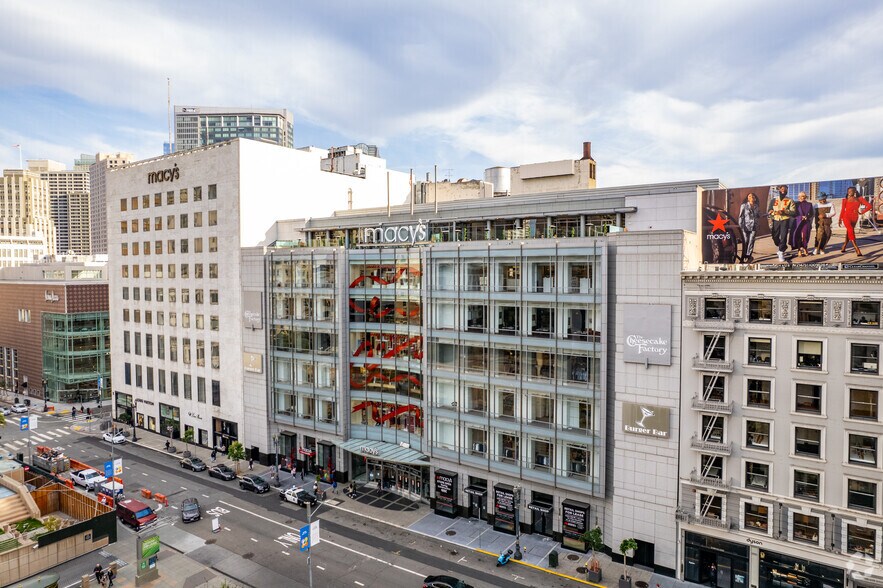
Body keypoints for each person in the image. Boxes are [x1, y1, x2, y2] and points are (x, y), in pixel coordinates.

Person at [767, 184, 796, 262]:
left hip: (785, 220)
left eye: (785, 189)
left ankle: (781, 252)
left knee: (783, 236)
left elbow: (793, 212)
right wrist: (772, 212)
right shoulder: (773, 199)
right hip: (776, 219)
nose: (783, 190)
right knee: (774, 236)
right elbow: (769, 210)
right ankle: (781, 246)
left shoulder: (790, 200)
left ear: (787, 191)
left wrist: (784, 211)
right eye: (782, 189)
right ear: (779, 190)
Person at [839, 186, 871, 256]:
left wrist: (862, 212)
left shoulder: (860, 199)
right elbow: (842, 210)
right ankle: (856, 248)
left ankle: (844, 246)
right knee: (850, 230)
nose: (849, 192)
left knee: (849, 231)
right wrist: (840, 219)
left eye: (851, 191)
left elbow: (869, 206)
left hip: (854, 217)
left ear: (855, 192)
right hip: (846, 216)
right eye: (848, 191)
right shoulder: (845, 200)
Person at [738, 192, 760, 262]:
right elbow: (741, 216)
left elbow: (759, 215)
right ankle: (744, 254)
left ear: (755, 198)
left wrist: (768, 214)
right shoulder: (744, 206)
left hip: (754, 226)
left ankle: (748, 255)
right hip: (745, 226)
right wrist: (740, 226)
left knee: (751, 241)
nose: (751, 197)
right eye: (749, 196)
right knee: (746, 240)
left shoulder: (756, 206)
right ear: (747, 198)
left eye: (753, 196)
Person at [791, 191, 814, 256]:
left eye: (802, 196)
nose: (801, 198)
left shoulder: (809, 204)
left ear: (805, 197)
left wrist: (807, 217)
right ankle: (799, 249)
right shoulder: (795, 204)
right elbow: (793, 214)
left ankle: (805, 247)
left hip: (806, 222)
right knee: (798, 236)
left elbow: (811, 214)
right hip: (797, 222)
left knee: (805, 236)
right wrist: (800, 217)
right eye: (799, 196)